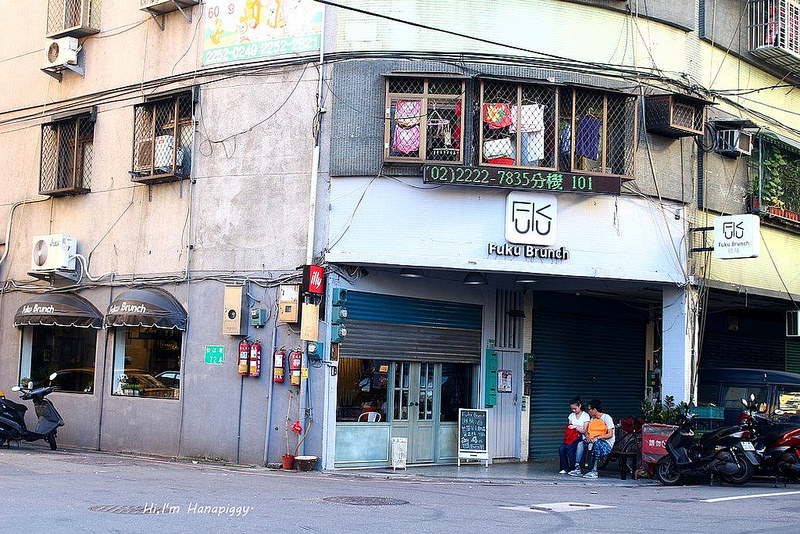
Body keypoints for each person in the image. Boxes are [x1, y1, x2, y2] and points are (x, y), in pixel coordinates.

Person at [569, 399, 614, 479]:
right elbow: (588, 431)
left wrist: (597, 438)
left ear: (595, 410)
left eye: (590, 409)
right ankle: (578, 468)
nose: (589, 411)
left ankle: (593, 471)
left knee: (593, 444)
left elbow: (610, 434)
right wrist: (588, 437)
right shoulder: (592, 419)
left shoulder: (606, 418)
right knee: (581, 444)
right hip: (593, 439)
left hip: (606, 443)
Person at [558, 397, 590, 474]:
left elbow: (584, 430)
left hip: (580, 437)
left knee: (569, 448)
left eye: (575, 408)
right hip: (571, 437)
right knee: (561, 449)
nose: (573, 410)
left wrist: (576, 427)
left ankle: (574, 468)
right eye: (572, 409)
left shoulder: (585, 416)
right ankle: (565, 468)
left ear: (580, 406)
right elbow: (569, 427)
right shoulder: (571, 416)